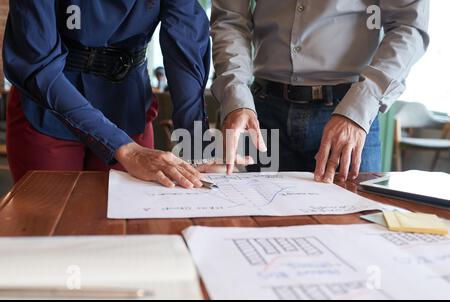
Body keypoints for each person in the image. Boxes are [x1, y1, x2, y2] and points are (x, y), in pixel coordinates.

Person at [211, 0, 429, 182]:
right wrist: (236, 97)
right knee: (258, 228)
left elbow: (408, 27)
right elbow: (231, 20)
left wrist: (359, 107)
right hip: (263, 114)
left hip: (349, 116)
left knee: (352, 229)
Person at [3, 0, 210, 188]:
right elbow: (39, 65)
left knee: (130, 221)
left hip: (128, 107)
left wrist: (200, 151)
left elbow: (185, 54)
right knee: (51, 217)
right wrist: (125, 148)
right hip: (48, 105)